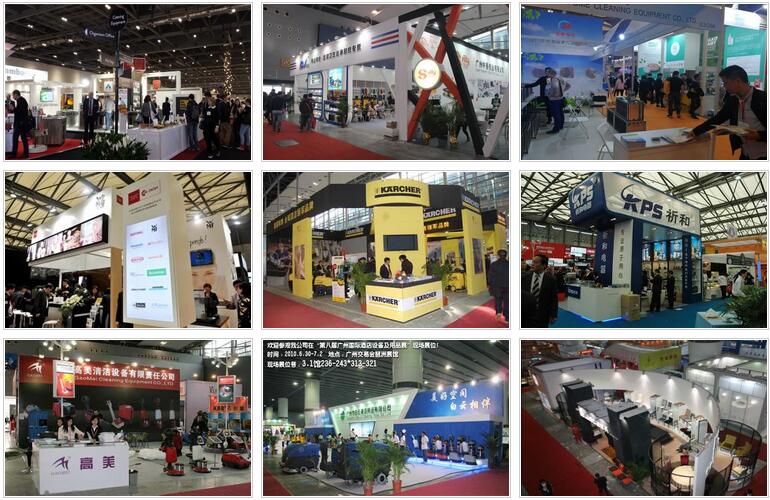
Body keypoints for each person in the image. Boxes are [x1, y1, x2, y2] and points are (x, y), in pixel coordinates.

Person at [688, 65, 766, 160]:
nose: (724, 86)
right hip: (746, 153)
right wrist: (695, 132)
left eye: (726, 83)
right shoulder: (733, 100)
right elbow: (718, 118)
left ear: (738, 81)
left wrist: (759, 135)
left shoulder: (764, 99)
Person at [522, 254, 558, 327]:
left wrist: (553, 315)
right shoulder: (524, 278)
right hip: (524, 314)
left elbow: (553, 298)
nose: (532, 264)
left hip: (542, 315)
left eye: (536, 262)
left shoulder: (551, 280)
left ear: (544, 265)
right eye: (533, 262)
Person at [545, 67, 570, 134]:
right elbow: (568, 85)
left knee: (556, 115)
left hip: (554, 100)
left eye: (547, 73)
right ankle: (560, 126)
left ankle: (556, 129)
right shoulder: (560, 78)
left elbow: (555, 87)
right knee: (560, 113)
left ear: (550, 73)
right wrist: (562, 91)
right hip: (560, 99)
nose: (546, 75)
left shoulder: (554, 79)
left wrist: (551, 95)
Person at [488, 249, 509, 324]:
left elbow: (490, 277)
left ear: (498, 256)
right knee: (507, 302)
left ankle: (498, 312)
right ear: (506, 256)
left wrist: (491, 285)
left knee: (498, 299)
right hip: (508, 286)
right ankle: (507, 318)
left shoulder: (493, 264)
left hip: (497, 286)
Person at [9, 89, 30, 158]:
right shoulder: (20, 100)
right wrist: (14, 109)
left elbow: (20, 112)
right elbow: (20, 112)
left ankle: (20, 154)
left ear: (16, 94)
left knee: (19, 139)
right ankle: (22, 154)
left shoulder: (21, 101)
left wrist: (13, 109)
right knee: (20, 139)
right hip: (20, 124)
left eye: (13, 95)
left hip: (20, 124)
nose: (13, 97)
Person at [201, 92, 221, 159]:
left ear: (212, 102)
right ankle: (210, 153)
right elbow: (205, 117)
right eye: (208, 101)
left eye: (209, 101)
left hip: (213, 127)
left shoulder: (215, 109)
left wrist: (217, 127)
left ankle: (218, 150)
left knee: (215, 140)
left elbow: (217, 118)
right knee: (207, 140)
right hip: (206, 127)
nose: (208, 102)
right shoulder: (207, 108)